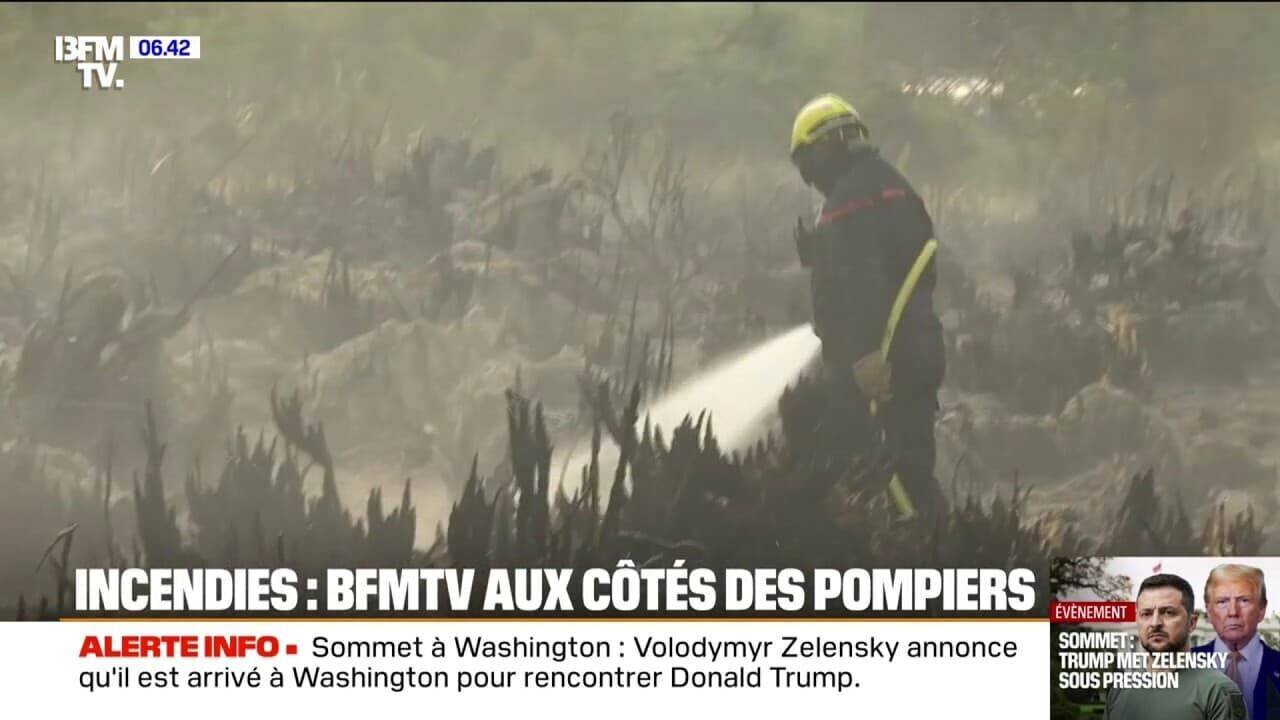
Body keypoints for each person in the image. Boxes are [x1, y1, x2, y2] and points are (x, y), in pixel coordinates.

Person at [789, 93, 945, 520]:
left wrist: (864, 356)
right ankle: (937, 554)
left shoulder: (849, 198)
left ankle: (930, 563)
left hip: (881, 361)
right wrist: (823, 253)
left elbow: (860, 282)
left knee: (887, 479)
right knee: (908, 472)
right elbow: (899, 259)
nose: (809, 180)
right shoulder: (892, 185)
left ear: (826, 146)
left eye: (807, 164)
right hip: (916, 348)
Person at [1106, 573, 1246, 720]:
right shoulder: (1119, 692)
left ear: (1192, 623)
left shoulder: (1219, 692)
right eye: (1146, 614)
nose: (1155, 623)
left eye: (1168, 612)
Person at [1193, 564, 1280, 720]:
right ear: (1209, 610)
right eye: (1222, 602)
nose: (1233, 612)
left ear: (1262, 609)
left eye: (1244, 600)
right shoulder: (1181, 667)